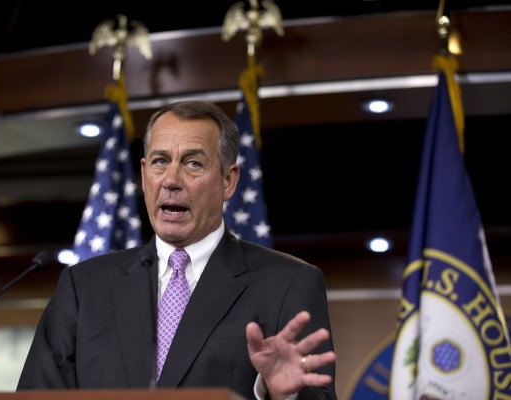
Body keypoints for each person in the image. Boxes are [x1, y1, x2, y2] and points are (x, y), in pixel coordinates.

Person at [17, 100, 337, 399]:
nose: (171, 179)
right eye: (160, 161)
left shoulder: (288, 283)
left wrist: (277, 393)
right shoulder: (83, 287)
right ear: (143, 176)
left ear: (228, 180)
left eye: (193, 163)